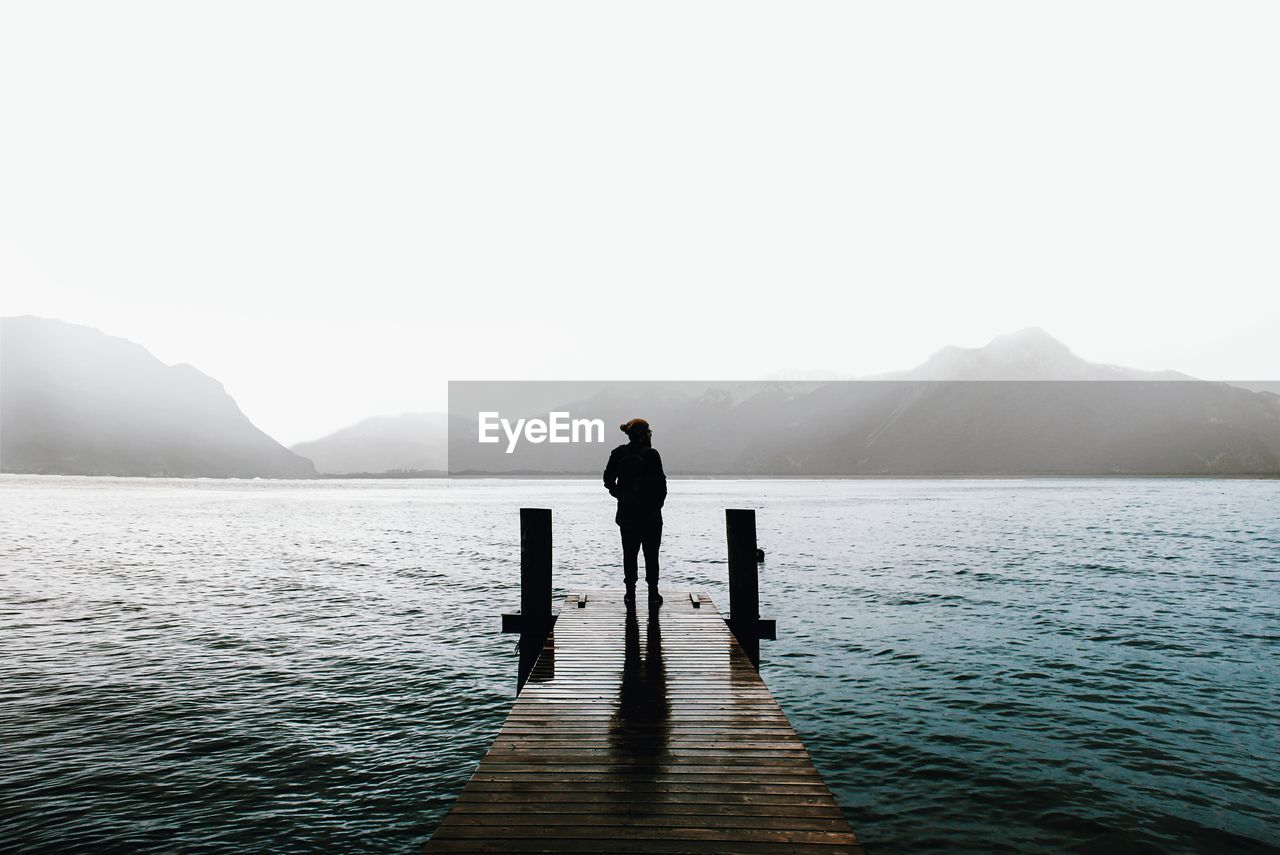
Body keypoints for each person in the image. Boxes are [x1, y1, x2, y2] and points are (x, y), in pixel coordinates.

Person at [603, 418, 667, 608]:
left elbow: (607, 480)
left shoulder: (618, 453)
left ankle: (630, 594)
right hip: (651, 517)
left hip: (627, 516)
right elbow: (661, 485)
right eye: (649, 431)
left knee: (629, 555)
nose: (650, 434)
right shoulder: (652, 455)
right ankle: (653, 593)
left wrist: (620, 496)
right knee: (651, 555)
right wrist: (656, 506)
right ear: (643, 434)